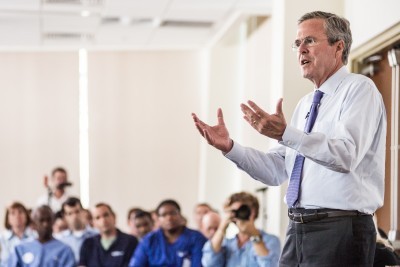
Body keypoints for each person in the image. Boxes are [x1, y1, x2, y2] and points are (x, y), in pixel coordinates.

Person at [192, 11, 386, 266]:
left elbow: (345, 156)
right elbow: (277, 170)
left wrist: (285, 133)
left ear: (338, 47)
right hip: (297, 227)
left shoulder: (359, 89)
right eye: (297, 43)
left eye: (310, 41)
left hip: (340, 227)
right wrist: (230, 148)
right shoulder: (306, 104)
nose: (300, 50)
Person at [202, 192, 280, 267]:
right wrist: (222, 228)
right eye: (234, 211)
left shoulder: (270, 240)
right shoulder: (227, 243)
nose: (239, 214)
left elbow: (269, 265)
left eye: (243, 210)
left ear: (253, 212)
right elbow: (209, 263)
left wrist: (253, 233)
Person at [129, 199, 207, 267]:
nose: (169, 218)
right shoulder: (149, 240)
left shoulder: (196, 238)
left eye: (173, 213)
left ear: (180, 214)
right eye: (164, 215)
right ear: (158, 219)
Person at [8, 205, 75, 267]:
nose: (45, 224)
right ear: (34, 224)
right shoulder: (20, 249)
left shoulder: (64, 250)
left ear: (53, 221)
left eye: (48, 220)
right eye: (41, 220)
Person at [79, 203, 138, 267]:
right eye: (98, 218)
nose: (103, 220)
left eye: (106, 215)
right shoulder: (88, 244)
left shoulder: (130, 241)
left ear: (114, 216)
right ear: (93, 222)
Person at [57, 197, 97, 262]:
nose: (74, 216)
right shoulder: (61, 240)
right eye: (70, 213)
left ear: (83, 212)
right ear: (64, 217)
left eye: (77, 212)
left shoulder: (97, 235)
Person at [0, 202, 36, 267]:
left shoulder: (35, 236)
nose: (17, 216)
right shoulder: (2, 238)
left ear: (26, 216)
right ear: (8, 219)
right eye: (13, 213)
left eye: (20, 212)